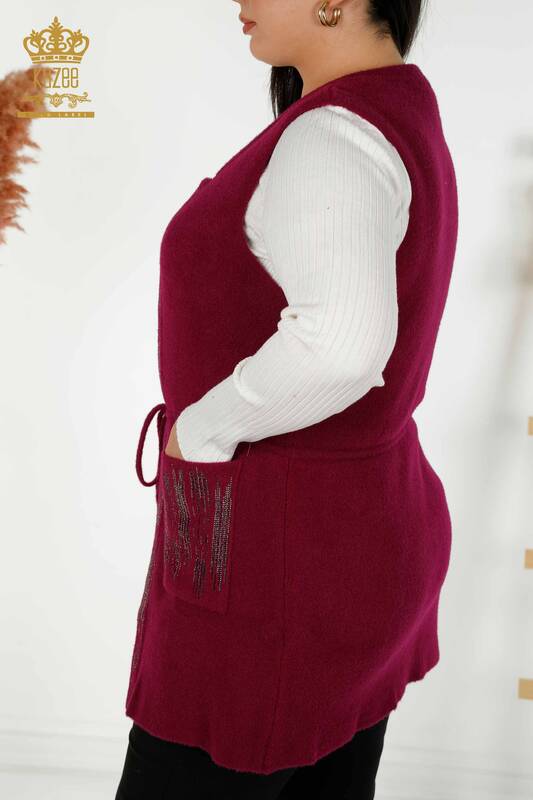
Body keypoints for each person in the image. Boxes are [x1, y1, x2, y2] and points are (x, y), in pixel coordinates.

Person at [116, 0, 458, 797]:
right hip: (355, 537)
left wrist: (199, 430)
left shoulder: (333, 136)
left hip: (277, 561)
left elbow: (340, 344)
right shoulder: (395, 106)